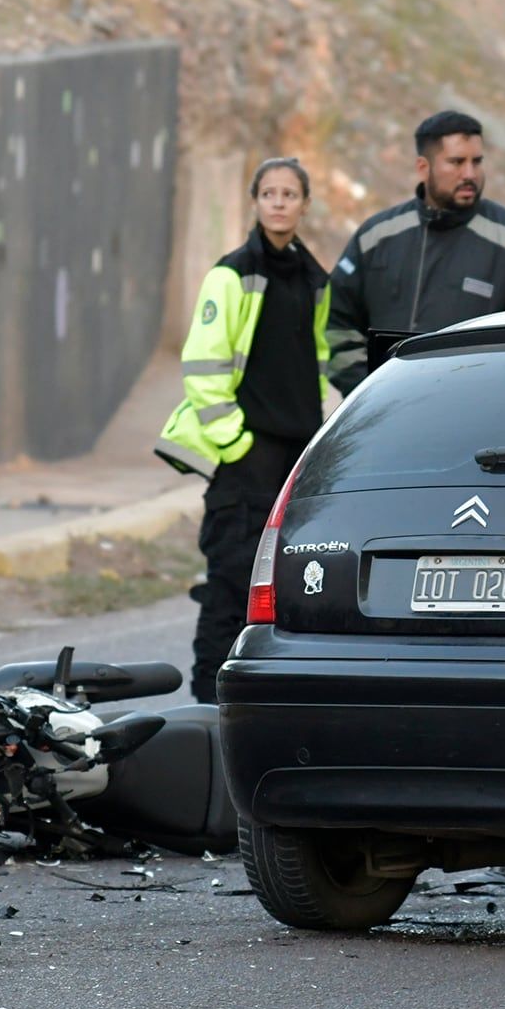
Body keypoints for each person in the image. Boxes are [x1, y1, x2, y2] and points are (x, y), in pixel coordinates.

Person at [156, 157, 331, 702]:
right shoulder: (231, 274)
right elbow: (202, 368)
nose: (279, 202)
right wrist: (236, 442)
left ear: (305, 204)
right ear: (255, 202)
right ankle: (209, 710)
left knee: (287, 590)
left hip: (295, 462)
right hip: (245, 462)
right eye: (269, 193)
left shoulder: (315, 280)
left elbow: (320, 361)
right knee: (230, 585)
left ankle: (268, 704)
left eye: (290, 193)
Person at [325, 110, 505, 393]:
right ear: (422, 167)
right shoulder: (376, 237)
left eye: (477, 162)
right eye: (456, 162)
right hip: (381, 415)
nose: (469, 174)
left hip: (478, 421)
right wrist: (364, 388)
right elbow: (335, 321)